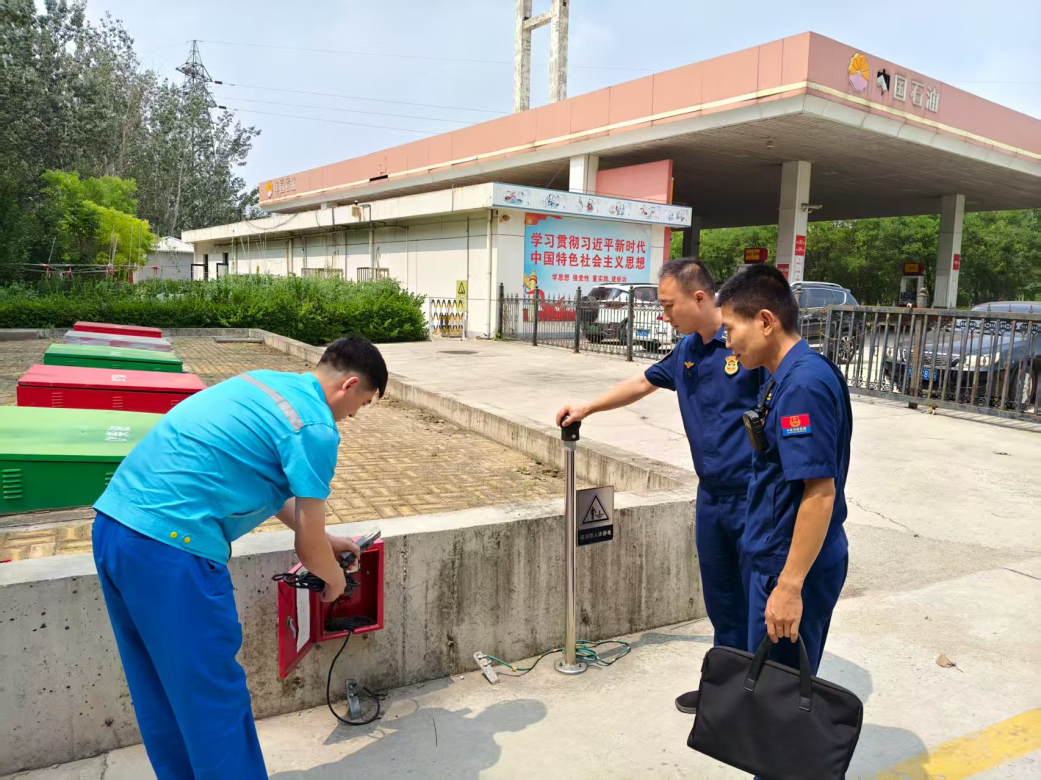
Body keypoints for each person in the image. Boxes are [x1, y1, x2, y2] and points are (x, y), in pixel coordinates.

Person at [91, 335, 388, 779]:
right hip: (173, 551)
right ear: (349, 385)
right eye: (361, 404)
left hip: (115, 528)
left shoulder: (263, 383)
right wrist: (336, 580)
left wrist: (325, 538)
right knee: (215, 699)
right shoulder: (316, 426)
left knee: (161, 689)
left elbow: (270, 486)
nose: (353, 416)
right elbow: (308, 553)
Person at [555, 259, 765, 713]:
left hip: (754, 497)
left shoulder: (747, 345)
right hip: (711, 497)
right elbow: (642, 381)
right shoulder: (688, 350)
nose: (663, 314)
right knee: (722, 599)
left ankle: (759, 699)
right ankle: (725, 690)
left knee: (758, 603)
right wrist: (588, 407)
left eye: (668, 305)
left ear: (699, 297)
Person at [716, 265, 852, 674]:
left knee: (779, 689)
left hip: (789, 566)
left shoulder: (802, 387)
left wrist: (790, 586)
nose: (727, 343)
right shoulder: (789, 374)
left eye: (730, 329)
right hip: (777, 556)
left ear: (765, 321)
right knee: (769, 686)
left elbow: (820, 491)